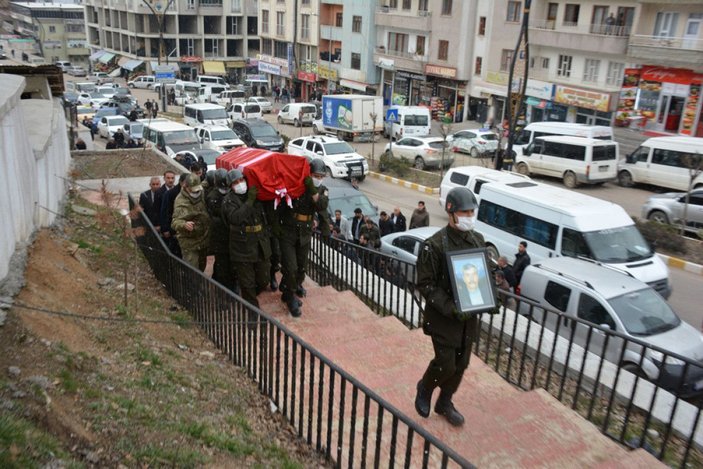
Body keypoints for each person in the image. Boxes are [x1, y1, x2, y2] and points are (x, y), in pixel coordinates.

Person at [414, 187, 489, 427]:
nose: (469, 216)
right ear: (451, 212)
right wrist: (450, 307)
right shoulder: (434, 245)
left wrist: (489, 293)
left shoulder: (477, 240)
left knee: (461, 364)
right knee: (445, 363)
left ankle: (445, 402)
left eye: (471, 211)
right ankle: (425, 387)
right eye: (464, 212)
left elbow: (481, 275)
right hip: (443, 318)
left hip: (468, 318)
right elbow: (425, 284)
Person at [275, 158, 328, 317]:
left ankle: (289, 289)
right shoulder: (297, 185)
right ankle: (290, 297)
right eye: (315, 176)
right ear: (309, 174)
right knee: (290, 267)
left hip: (305, 232)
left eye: (321, 176)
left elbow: (322, 206)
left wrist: (312, 189)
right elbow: (281, 206)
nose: (318, 179)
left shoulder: (321, 190)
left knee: (301, 268)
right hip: (289, 231)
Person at [172, 174, 211, 271]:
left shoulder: (200, 191)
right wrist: (184, 224)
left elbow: (206, 182)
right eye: (193, 190)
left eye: (198, 189)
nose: (196, 192)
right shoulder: (180, 202)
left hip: (203, 239)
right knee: (192, 272)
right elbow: (175, 221)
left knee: (202, 268)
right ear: (186, 187)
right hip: (189, 243)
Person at [206, 169, 236, 291]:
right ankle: (225, 288)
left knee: (228, 264)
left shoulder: (228, 194)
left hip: (228, 236)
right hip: (220, 237)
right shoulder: (212, 196)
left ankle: (225, 284)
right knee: (223, 264)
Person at [160, 173, 188, 257]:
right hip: (174, 228)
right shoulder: (170, 194)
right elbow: (165, 212)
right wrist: (165, 228)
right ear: (181, 182)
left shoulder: (189, 192)